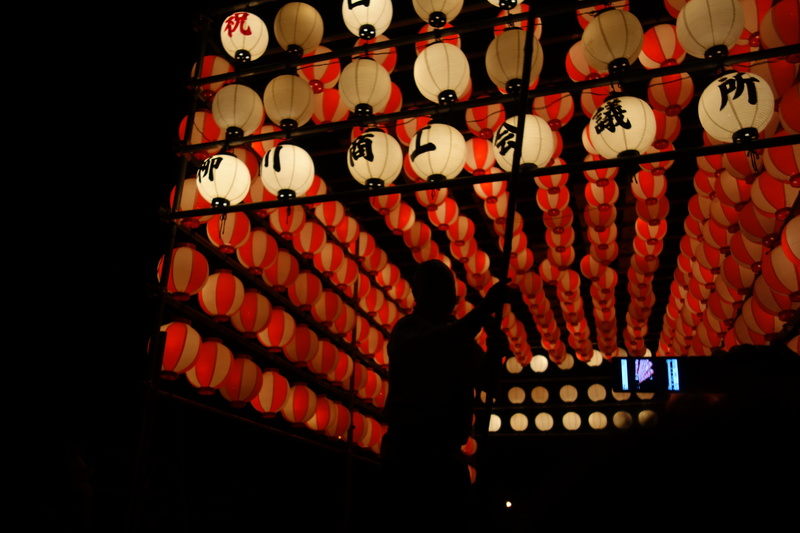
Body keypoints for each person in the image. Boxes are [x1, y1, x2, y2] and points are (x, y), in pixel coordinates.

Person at [380, 260, 509, 531]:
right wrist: (485, 309)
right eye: (438, 289)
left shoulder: (458, 339)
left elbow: (489, 383)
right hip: (411, 454)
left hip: (448, 454)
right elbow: (439, 346)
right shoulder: (408, 331)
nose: (446, 297)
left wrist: (497, 353)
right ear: (422, 295)